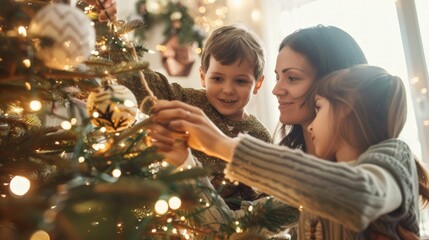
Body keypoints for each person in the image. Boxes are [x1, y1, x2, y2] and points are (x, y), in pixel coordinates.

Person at [148, 64, 429, 239]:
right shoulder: (303, 193)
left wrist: (221, 145)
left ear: (347, 111)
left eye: (318, 107)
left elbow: (361, 193)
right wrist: (183, 162)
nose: (276, 90)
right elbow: (226, 231)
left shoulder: (394, 155)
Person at [121, 24, 271, 210]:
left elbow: (261, 204)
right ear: (203, 76)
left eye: (240, 81)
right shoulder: (188, 103)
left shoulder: (260, 138)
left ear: (258, 84)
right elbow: (142, 83)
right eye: (217, 78)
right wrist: (110, 37)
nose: (228, 89)